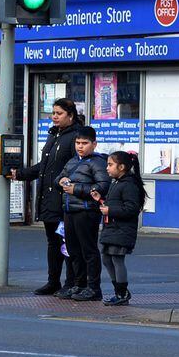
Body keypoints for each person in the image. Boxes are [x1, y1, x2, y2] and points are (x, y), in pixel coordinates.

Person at [10, 98, 84, 295]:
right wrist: (21, 174)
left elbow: (76, 168)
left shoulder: (75, 137)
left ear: (70, 115)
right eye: (53, 113)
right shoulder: (54, 136)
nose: (54, 117)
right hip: (48, 198)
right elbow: (45, 168)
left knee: (67, 243)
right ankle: (53, 281)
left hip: (64, 199)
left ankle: (72, 283)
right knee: (53, 242)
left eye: (59, 113)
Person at [54, 126, 110, 300]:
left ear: (94, 144)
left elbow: (103, 186)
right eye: (78, 143)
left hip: (86, 211)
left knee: (89, 250)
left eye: (84, 143)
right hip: (69, 210)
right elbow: (59, 178)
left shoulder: (98, 162)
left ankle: (93, 288)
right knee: (73, 250)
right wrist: (60, 181)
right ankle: (79, 285)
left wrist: (76, 189)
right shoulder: (72, 161)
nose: (80, 146)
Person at [91, 149, 147, 306]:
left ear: (121, 167)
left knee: (116, 259)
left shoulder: (129, 185)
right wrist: (101, 201)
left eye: (110, 165)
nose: (107, 168)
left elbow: (132, 209)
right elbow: (115, 204)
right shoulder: (117, 183)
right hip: (112, 228)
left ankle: (122, 293)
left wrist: (110, 210)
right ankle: (119, 291)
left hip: (122, 230)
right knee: (107, 259)